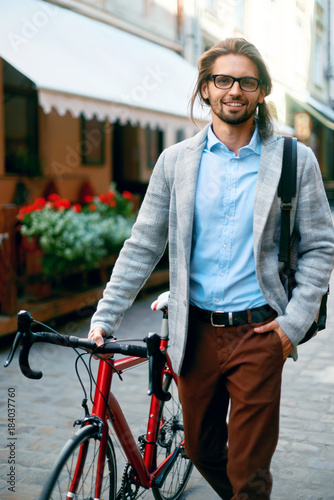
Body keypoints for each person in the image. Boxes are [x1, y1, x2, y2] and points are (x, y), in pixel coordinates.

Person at [88, 38, 334, 499]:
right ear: (206, 88)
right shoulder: (176, 162)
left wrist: (292, 326)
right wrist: (106, 315)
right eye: (223, 79)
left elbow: (320, 247)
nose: (233, 90)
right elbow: (142, 244)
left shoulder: (294, 161)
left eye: (246, 81)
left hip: (259, 333)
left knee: (249, 472)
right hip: (193, 333)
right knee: (200, 451)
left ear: (261, 91)